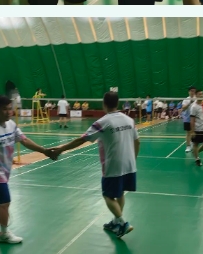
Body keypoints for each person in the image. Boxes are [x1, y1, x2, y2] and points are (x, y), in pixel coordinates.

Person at [47, 92, 138, 238]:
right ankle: (116, 222)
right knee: (120, 192)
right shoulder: (129, 120)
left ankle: (122, 223)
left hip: (113, 165)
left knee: (108, 195)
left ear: (104, 104)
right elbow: (137, 141)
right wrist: (133, 159)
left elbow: (81, 140)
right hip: (130, 164)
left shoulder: (102, 122)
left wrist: (60, 149)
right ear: (118, 103)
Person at [0, 95, 55, 243]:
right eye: (5, 109)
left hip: (5, 170)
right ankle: (3, 234)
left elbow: (24, 140)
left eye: (10, 108)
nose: (9, 112)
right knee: (4, 202)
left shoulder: (11, 125)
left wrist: (44, 151)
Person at [189, 90, 203, 166]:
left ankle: (196, 152)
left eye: (202, 94)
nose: (201, 95)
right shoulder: (194, 106)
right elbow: (192, 120)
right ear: (196, 95)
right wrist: (192, 131)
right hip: (197, 129)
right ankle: (197, 158)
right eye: (199, 94)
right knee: (195, 144)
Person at [181, 87, 196, 153]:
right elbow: (183, 108)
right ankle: (188, 146)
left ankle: (192, 143)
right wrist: (190, 102)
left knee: (194, 132)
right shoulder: (186, 99)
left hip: (195, 118)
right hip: (187, 118)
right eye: (191, 91)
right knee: (188, 133)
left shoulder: (197, 99)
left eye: (194, 91)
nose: (193, 92)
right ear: (189, 92)